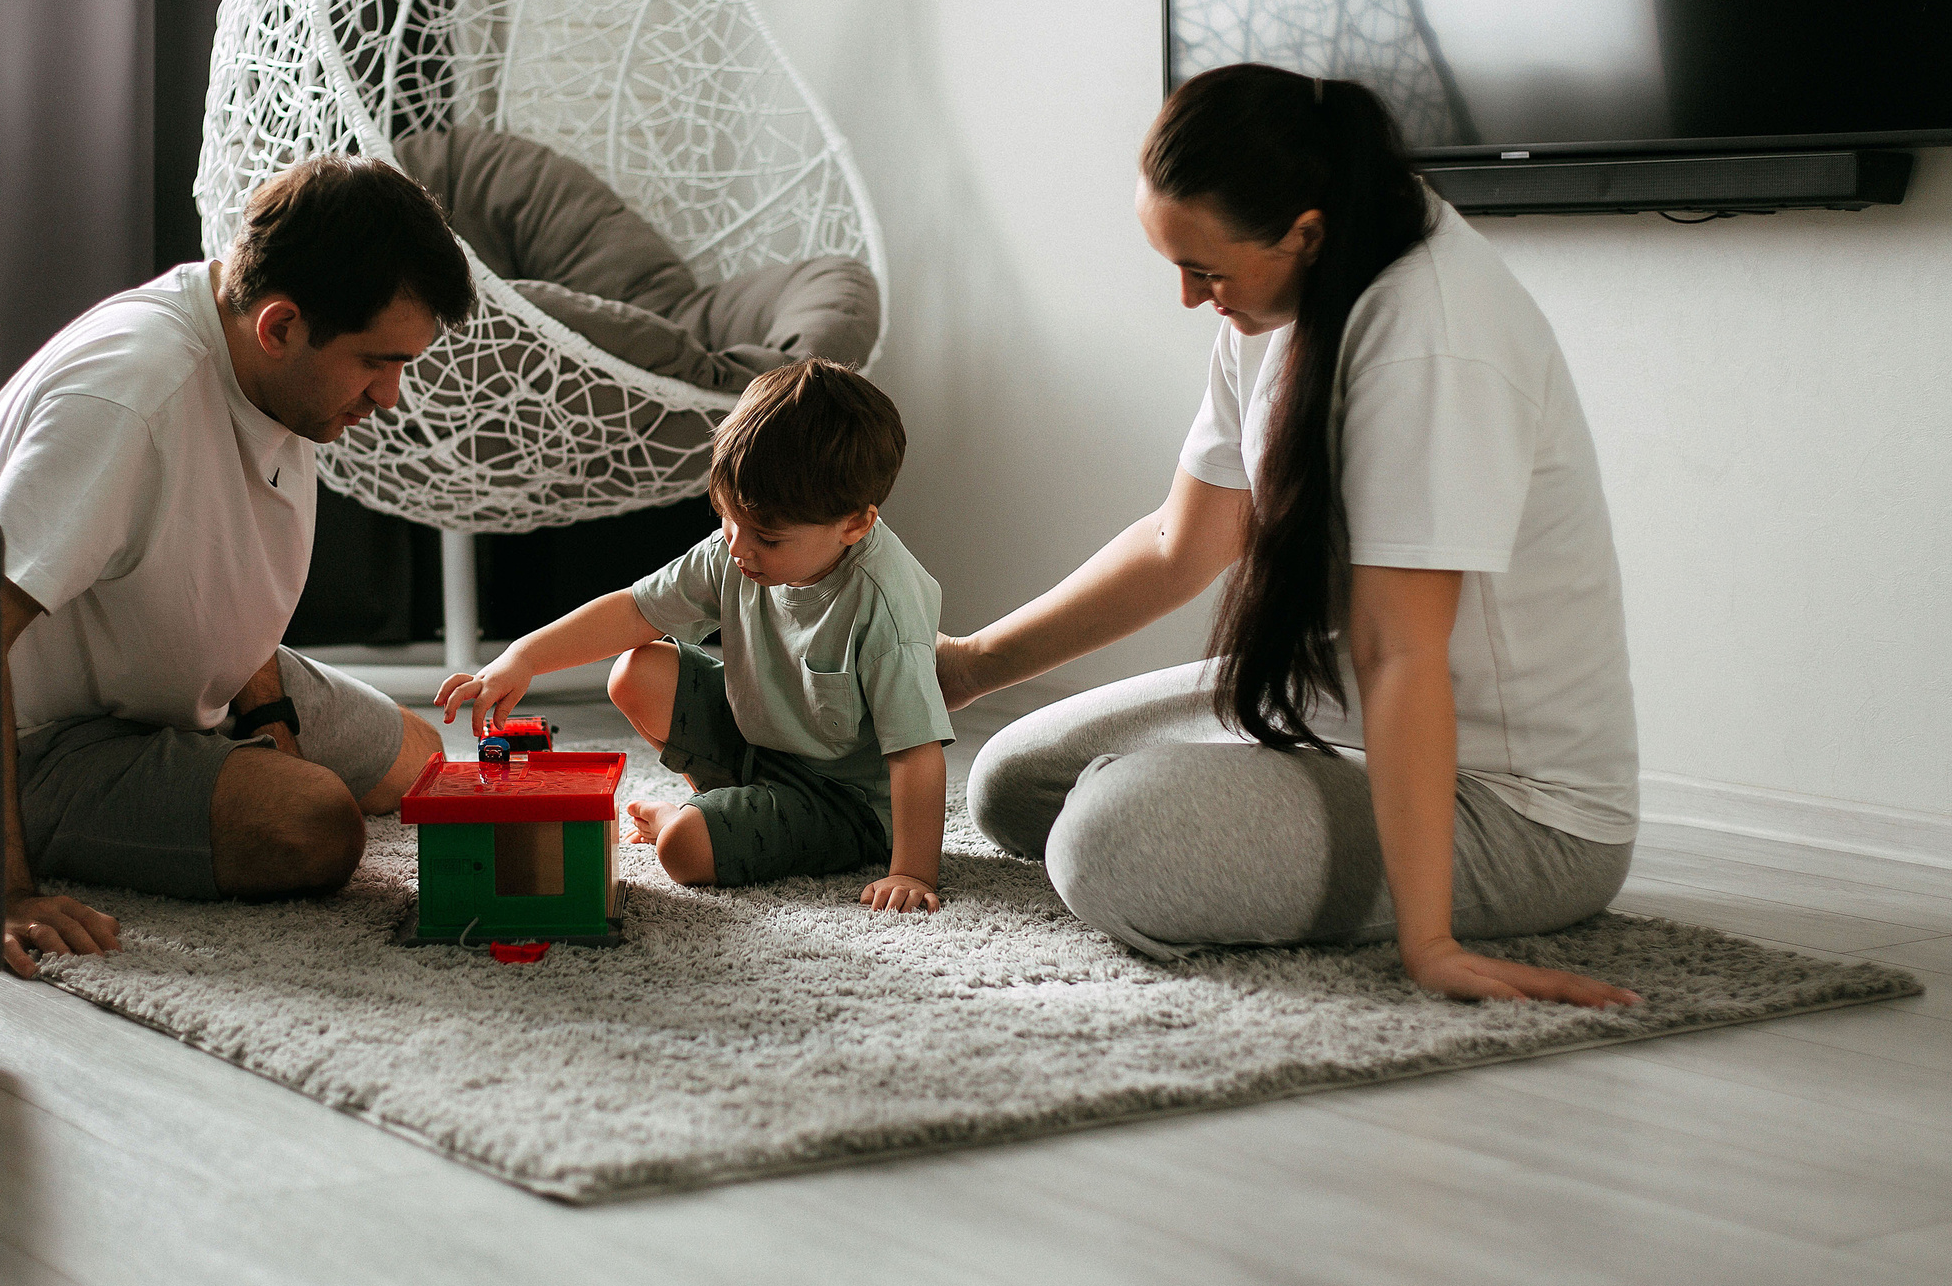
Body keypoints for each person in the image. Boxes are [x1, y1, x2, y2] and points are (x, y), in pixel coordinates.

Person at [942, 65, 1643, 1007]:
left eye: (1207, 271)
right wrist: (971, 665)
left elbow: (1401, 651)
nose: (1192, 299)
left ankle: (1316, 852)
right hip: (1340, 709)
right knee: (1010, 784)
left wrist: (1429, 944)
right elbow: (1177, 542)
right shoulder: (1278, 296)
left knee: (1102, 844)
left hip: (1516, 809)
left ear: (1306, 235)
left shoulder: (1431, 336)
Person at [0, 156, 474, 977]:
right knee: (315, 827)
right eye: (379, 361)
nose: (389, 397)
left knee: (422, 762)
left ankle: (218, 765)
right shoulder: (131, 398)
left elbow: (224, 557)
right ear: (280, 324)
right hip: (47, 735)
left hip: (174, 680)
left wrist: (273, 725)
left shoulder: (271, 367)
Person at [436, 360, 954, 913]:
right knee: (637, 671)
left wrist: (912, 871)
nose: (737, 545)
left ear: (854, 525)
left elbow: (916, 754)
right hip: (759, 744)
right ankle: (719, 803)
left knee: (682, 851)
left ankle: (688, 820)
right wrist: (523, 657)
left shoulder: (884, 607)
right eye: (727, 517)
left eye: (766, 537)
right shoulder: (737, 550)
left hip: (842, 802)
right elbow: (635, 611)